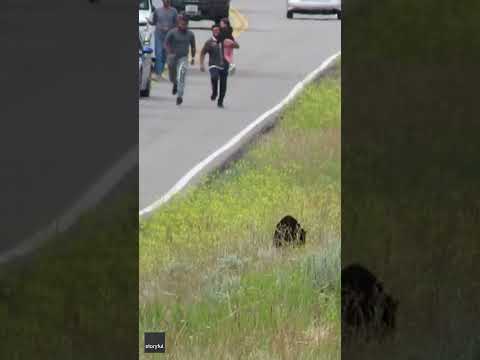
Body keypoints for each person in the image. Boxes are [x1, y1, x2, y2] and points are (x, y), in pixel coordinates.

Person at [200, 24, 239, 108]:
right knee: (214, 77)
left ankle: (220, 101)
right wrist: (201, 64)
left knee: (223, 84)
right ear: (212, 32)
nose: (216, 32)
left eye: (218, 30)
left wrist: (231, 40)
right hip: (213, 64)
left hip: (224, 64)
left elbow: (236, 46)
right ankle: (214, 92)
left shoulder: (225, 40)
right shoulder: (209, 42)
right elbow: (203, 53)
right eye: (214, 30)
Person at [164, 15, 196, 105]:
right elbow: (166, 43)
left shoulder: (190, 34)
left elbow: (193, 46)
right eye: (182, 24)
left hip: (183, 58)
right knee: (172, 76)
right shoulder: (172, 32)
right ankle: (174, 83)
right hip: (173, 57)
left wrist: (193, 57)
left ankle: (179, 96)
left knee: (182, 75)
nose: (183, 26)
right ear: (178, 23)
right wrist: (169, 52)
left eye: (185, 24)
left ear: (187, 24)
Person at [147, 0, 178, 80]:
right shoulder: (157, 11)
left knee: (165, 55)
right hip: (159, 35)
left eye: (168, 0)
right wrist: (149, 21)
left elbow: (176, 24)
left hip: (168, 36)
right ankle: (158, 73)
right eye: (164, 0)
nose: (166, 1)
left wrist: (171, 30)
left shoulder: (174, 11)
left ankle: (160, 71)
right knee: (159, 53)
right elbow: (154, 22)